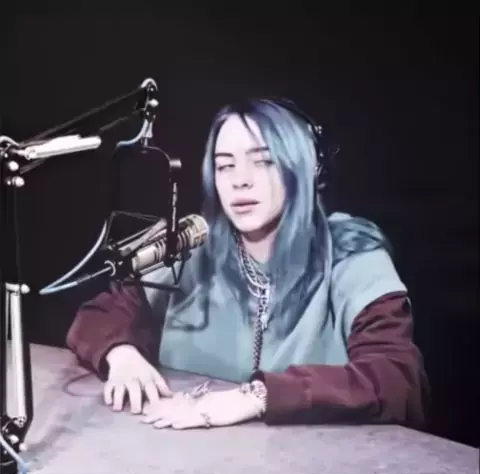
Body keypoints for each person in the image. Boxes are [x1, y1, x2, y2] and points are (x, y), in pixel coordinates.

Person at [66, 98, 429, 430]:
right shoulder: (190, 246)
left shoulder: (352, 251)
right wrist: (122, 354)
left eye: (263, 161)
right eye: (225, 166)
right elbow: (100, 314)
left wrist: (257, 397)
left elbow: (396, 378)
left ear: (306, 168)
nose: (240, 181)